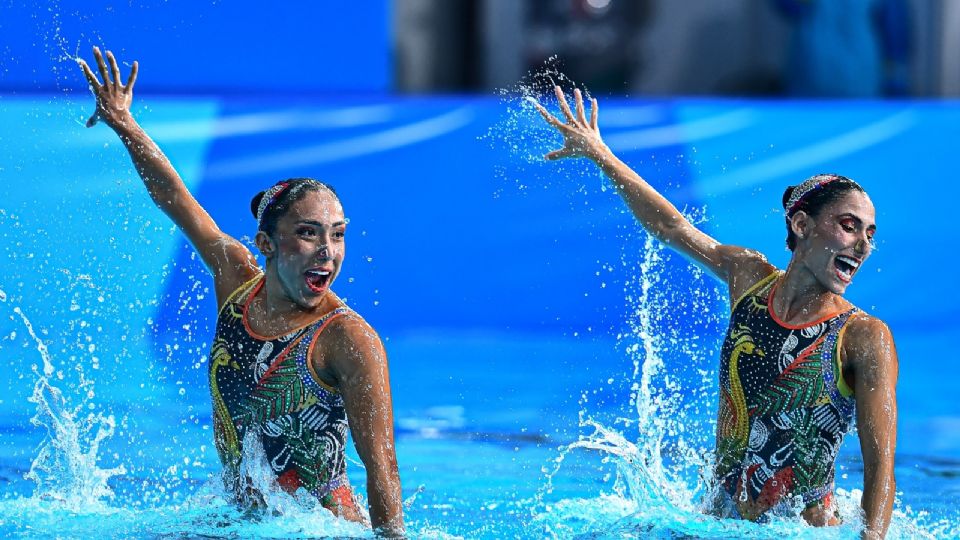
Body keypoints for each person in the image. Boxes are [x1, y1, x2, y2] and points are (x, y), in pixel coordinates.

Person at [534, 87, 897, 539]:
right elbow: (670, 226)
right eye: (849, 226)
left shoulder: (864, 336)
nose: (863, 246)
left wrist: (874, 538)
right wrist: (601, 154)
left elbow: (880, 466)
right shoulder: (748, 277)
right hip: (714, 522)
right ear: (801, 225)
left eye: (870, 233)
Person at [77, 47, 404, 536]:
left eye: (338, 234)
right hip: (241, 519)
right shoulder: (235, 280)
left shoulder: (348, 340)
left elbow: (382, 468)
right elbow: (174, 198)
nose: (328, 251)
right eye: (310, 232)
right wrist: (124, 123)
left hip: (318, 530)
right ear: (266, 244)